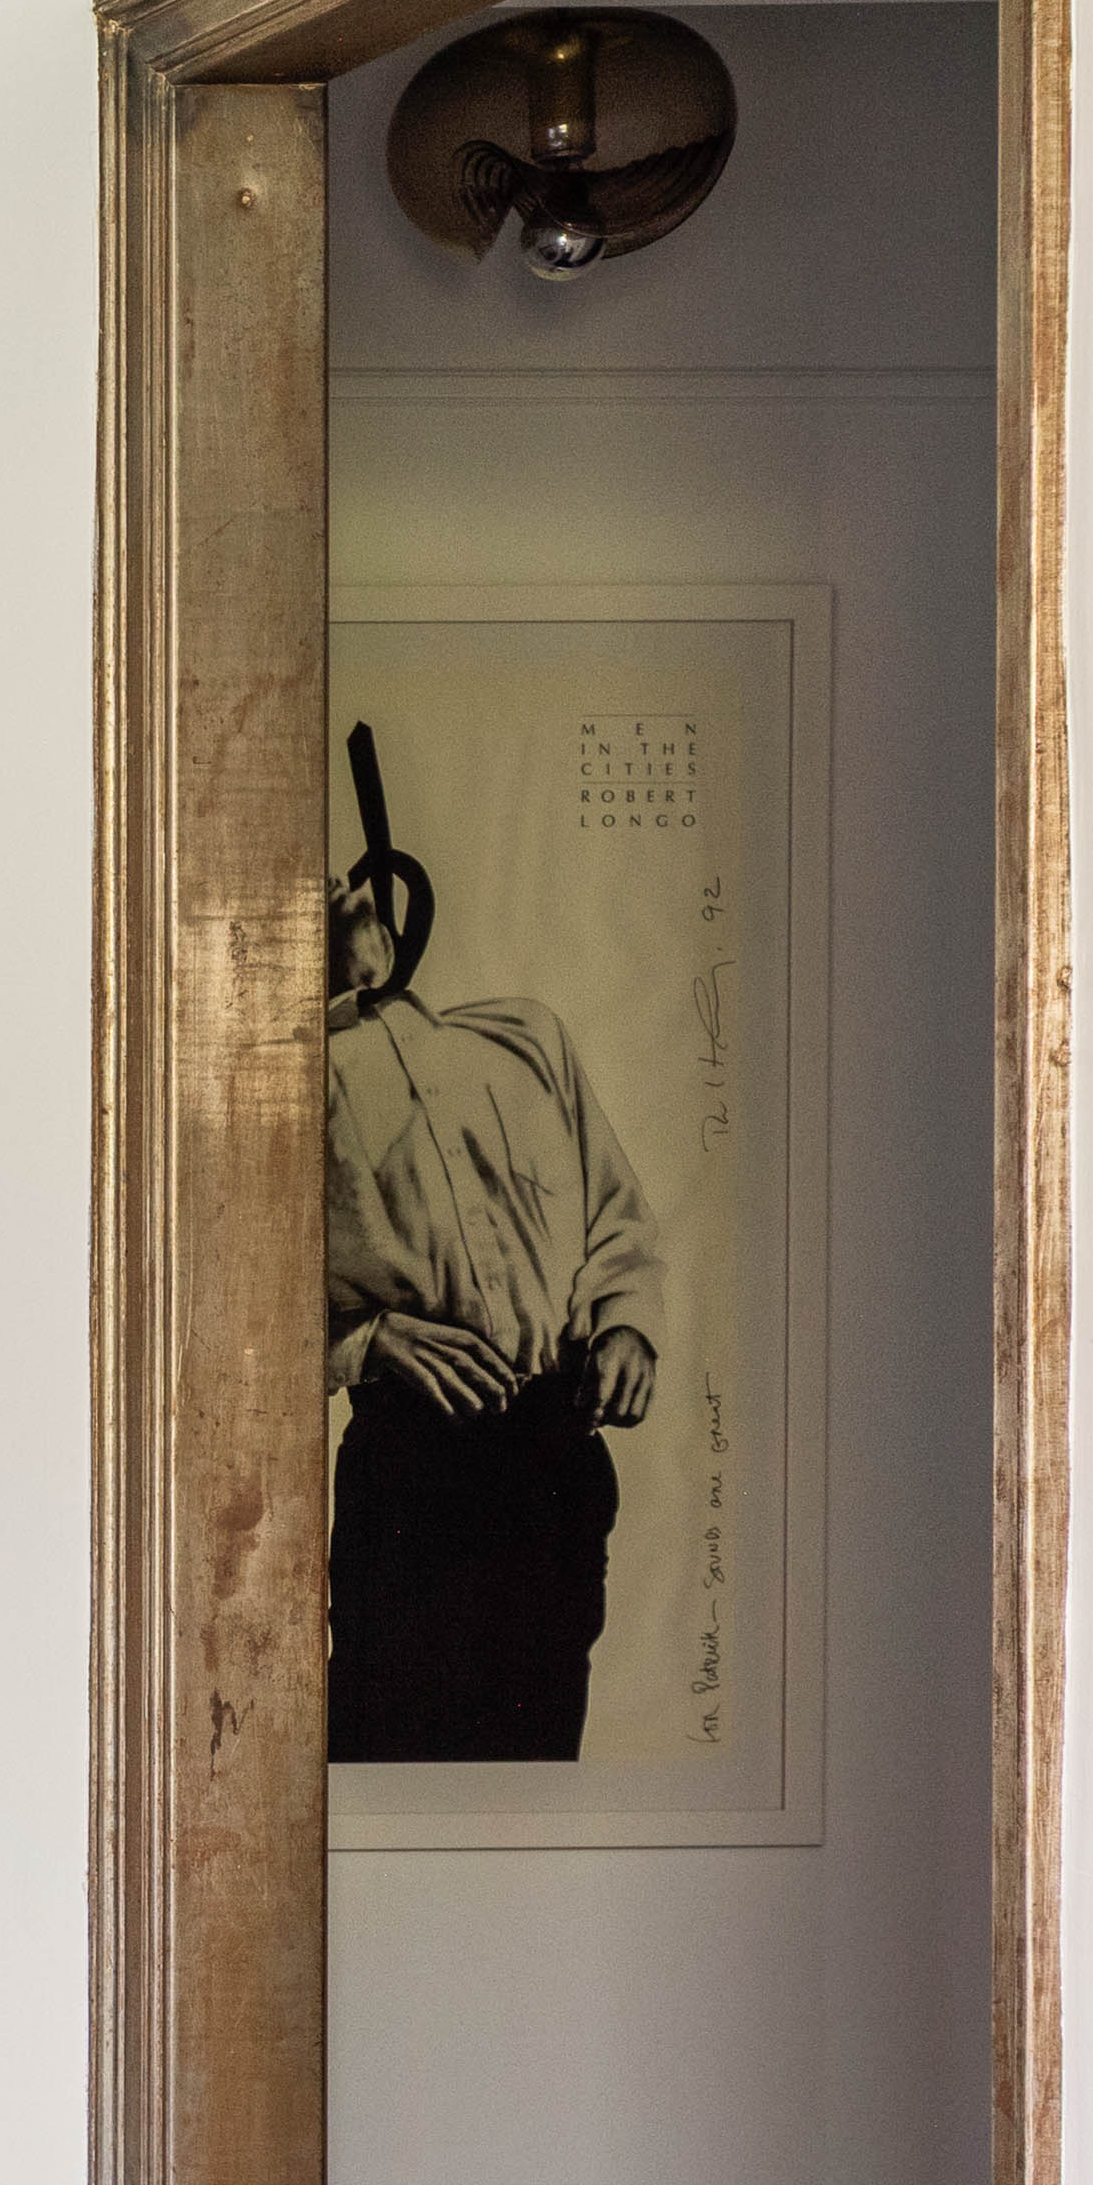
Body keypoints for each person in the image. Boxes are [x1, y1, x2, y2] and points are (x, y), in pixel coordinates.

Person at [320, 723, 650, 1760]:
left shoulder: (520, 1034)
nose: (332, 888)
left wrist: (626, 1327)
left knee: (536, 1758)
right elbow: (211, 1310)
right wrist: (362, 1345)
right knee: (392, 1757)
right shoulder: (280, 1090)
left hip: (550, 1458)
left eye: (336, 872)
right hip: (413, 1473)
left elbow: (613, 1211)